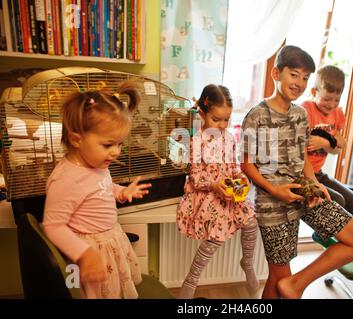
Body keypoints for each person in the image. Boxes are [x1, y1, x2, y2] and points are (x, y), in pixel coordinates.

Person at [240, 45, 353, 299]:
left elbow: (302, 155)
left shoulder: (301, 114)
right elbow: (246, 165)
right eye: (294, 74)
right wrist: (275, 189)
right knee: (279, 277)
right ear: (276, 73)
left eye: (305, 78)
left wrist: (315, 182)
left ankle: (297, 284)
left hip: (306, 193)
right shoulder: (256, 115)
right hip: (273, 204)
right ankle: (293, 286)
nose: (300, 83)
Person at [43, 82, 152, 299]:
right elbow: (53, 225)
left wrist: (121, 192)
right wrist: (84, 255)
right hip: (89, 253)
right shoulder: (67, 179)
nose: (115, 153)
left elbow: (101, 187)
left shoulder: (96, 165)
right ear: (76, 139)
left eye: (120, 144)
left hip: (109, 243)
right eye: (108, 145)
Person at [176, 84, 259, 299]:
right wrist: (214, 185)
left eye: (226, 120)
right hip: (207, 193)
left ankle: (247, 262)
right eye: (216, 119)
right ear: (202, 113)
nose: (222, 125)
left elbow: (233, 166)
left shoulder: (230, 138)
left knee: (251, 222)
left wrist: (240, 178)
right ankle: (191, 280)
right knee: (217, 235)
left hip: (229, 191)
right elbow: (195, 176)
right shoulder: (195, 141)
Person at [301, 65, 353, 216]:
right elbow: (304, 146)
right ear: (314, 92)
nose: (332, 104)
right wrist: (332, 143)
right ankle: (328, 235)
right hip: (302, 174)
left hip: (318, 172)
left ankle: (338, 236)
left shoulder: (337, 114)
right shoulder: (305, 110)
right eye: (327, 99)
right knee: (338, 201)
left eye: (337, 100)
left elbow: (340, 147)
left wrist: (325, 143)